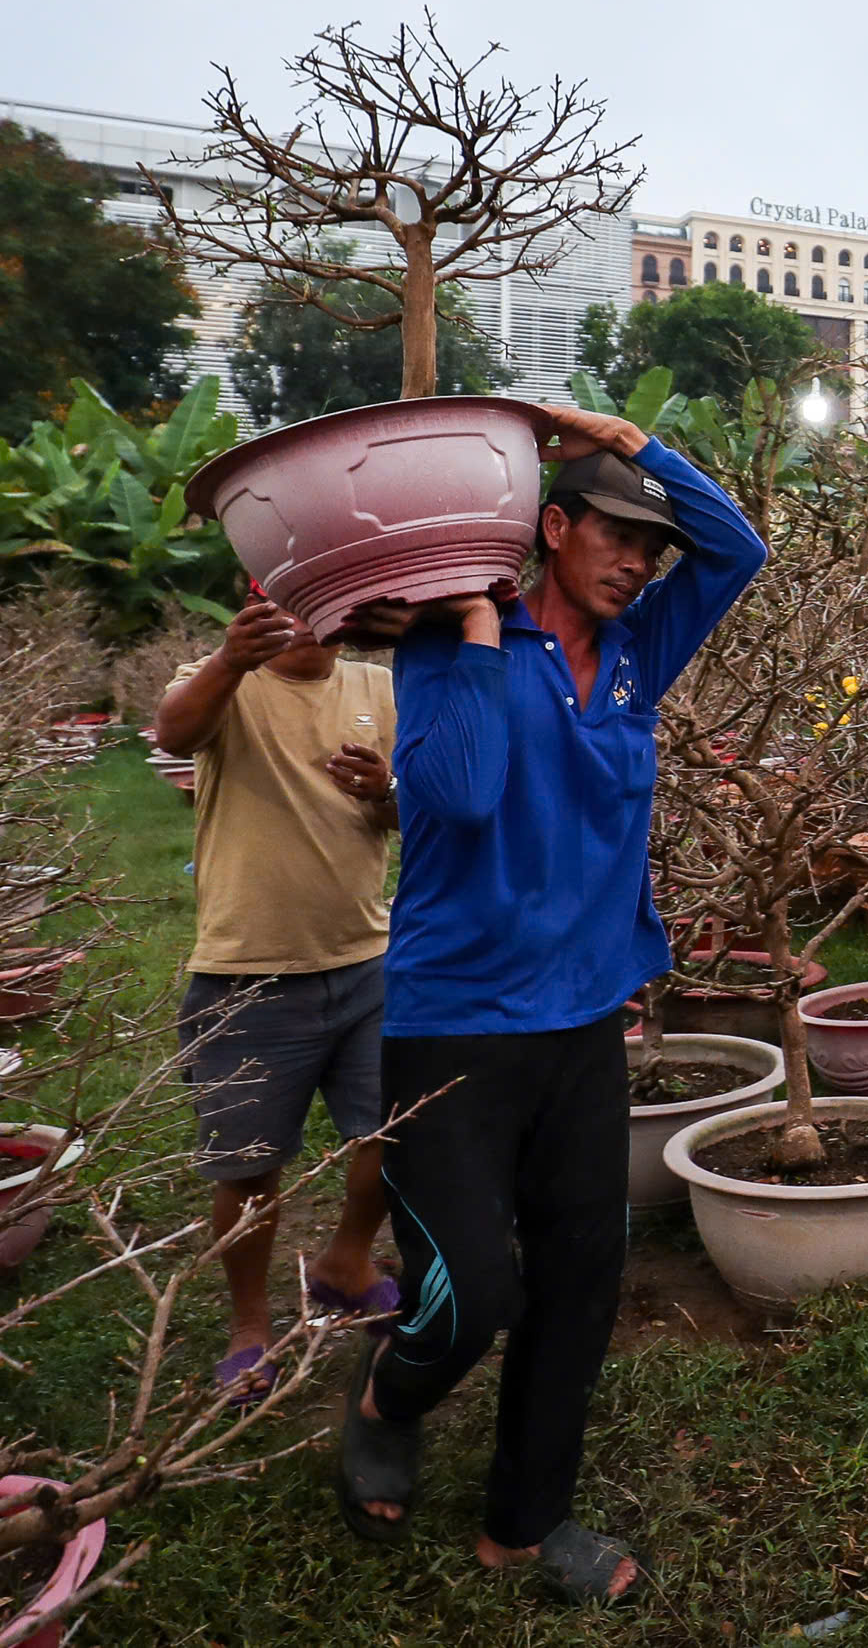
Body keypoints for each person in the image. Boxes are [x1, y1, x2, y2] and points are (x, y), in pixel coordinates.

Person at [336, 404, 765, 1605]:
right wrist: (476, 627)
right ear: (552, 527)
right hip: (453, 1017)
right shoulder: (441, 642)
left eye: (649, 549)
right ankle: (390, 1391)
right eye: (616, 537)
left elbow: (738, 547)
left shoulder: (642, 650)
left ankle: (522, 1526)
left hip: (583, 1022)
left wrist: (623, 438)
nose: (638, 563)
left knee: (579, 1286)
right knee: (472, 1289)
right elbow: (460, 802)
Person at [154, 592, 402, 1405]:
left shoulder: (379, 687)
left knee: (393, 1136)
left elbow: (413, 812)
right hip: (247, 973)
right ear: (252, 609)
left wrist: (384, 791)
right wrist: (230, 658)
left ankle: (347, 1260)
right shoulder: (226, 679)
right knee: (249, 1164)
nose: (307, 620)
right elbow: (173, 735)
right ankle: (250, 1325)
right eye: (282, 603)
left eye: (321, 602)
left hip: (367, 961)